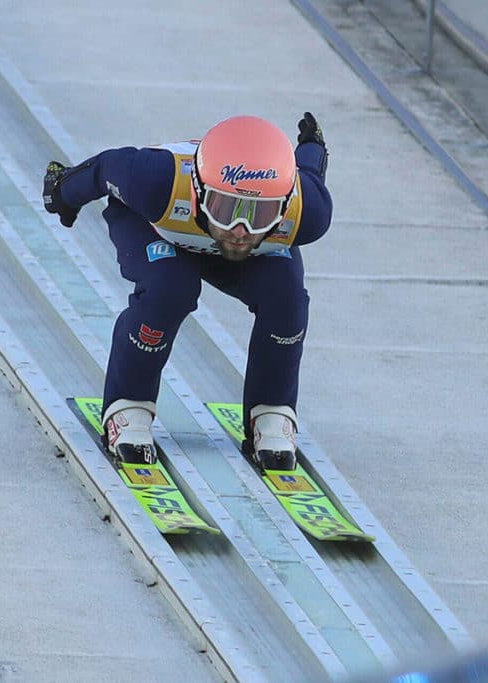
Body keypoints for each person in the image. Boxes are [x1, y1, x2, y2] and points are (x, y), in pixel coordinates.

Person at [42, 113, 331, 471]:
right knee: (170, 288)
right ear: (198, 188)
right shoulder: (154, 180)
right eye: (227, 208)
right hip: (159, 226)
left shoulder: (309, 212)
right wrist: (63, 190)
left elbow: (309, 175)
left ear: (286, 205)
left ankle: (272, 409)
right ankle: (128, 404)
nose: (239, 229)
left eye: (260, 212)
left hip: (241, 248)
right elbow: (105, 168)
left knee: (287, 299)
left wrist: (312, 146)